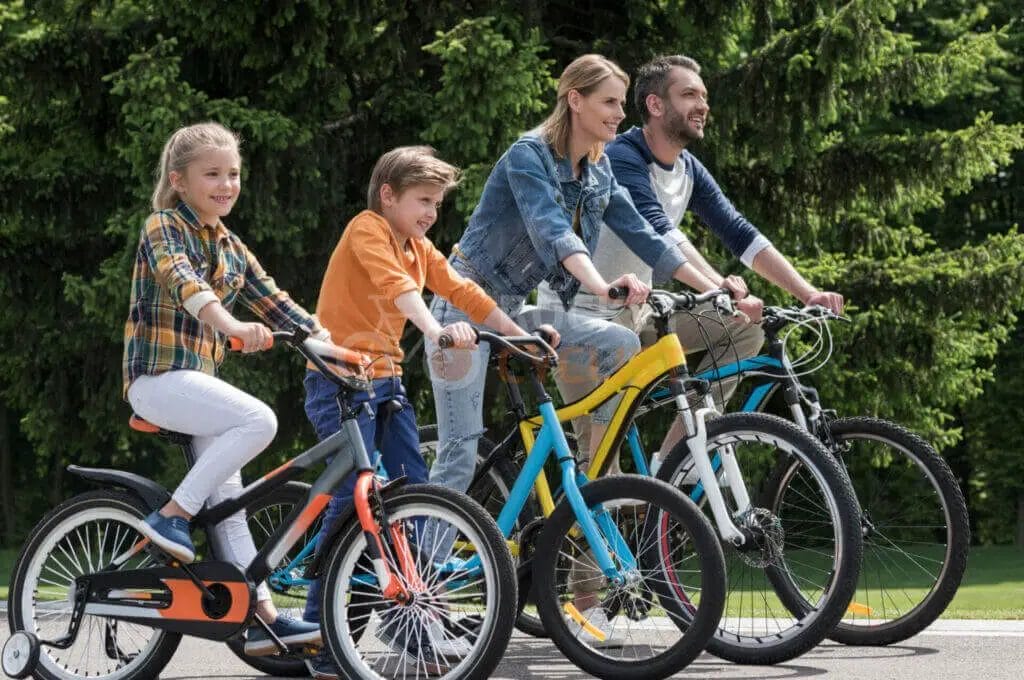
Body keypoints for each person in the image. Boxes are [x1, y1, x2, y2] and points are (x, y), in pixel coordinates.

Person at [426, 54, 715, 641]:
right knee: (458, 447)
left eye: (621, 102)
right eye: (610, 102)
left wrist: (720, 290)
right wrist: (603, 285)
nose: (619, 115)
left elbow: (650, 237)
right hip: (464, 307)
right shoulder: (527, 156)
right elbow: (552, 233)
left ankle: (583, 469)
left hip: (522, 314)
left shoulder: (600, 171)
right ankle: (416, 591)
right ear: (575, 100)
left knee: (618, 339)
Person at [301, 146, 547, 679]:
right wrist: (435, 331)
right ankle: (318, 636)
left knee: (414, 496)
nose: (432, 212)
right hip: (339, 381)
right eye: (423, 201)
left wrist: (517, 333)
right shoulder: (367, 229)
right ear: (388, 196)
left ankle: (407, 619)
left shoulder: (418, 246)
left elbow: (462, 290)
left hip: (385, 382)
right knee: (353, 503)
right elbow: (399, 289)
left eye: (436, 203)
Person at [539, 54, 845, 470]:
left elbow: (739, 232)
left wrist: (809, 293)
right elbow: (661, 233)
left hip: (636, 313)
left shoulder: (687, 169)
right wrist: (718, 289)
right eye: (689, 95)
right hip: (581, 321)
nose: (702, 105)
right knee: (601, 471)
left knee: (744, 330)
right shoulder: (621, 157)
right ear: (655, 105)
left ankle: (679, 459)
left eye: (704, 96)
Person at [123, 122, 324, 654]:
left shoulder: (231, 245)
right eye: (211, 174)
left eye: (233, 174)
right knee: (259, 420)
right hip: (158, 379)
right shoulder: (163, 224)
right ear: (179, 180)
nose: (225, 184)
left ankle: (261, 619)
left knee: (231, 506)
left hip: (196, 388)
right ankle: (172, 516)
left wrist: (333, 346)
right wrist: (231, 326)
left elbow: (277, 302)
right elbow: (182, 277)